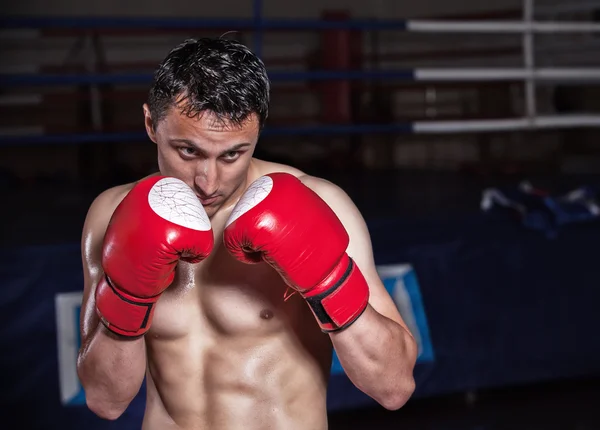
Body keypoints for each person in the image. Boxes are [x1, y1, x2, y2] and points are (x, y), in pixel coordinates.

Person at [77, 37, 417, 430]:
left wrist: (327, 283)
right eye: (188, 151)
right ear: (151, 124)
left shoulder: (322, 202)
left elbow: (393, 386)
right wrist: (128, 300)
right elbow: (105, 400)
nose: (208, 181)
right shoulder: (111, 215)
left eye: (231, 154)